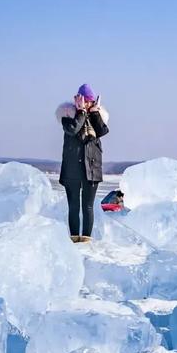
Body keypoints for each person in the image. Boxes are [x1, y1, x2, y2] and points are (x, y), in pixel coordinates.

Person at [57, 83, 109, 243]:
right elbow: (73, 129)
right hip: (72, 169)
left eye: (90, 101)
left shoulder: (96, 116)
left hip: (91, 168)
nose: (87, 103)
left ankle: (86, 240)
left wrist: (93, 113)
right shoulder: (67, 114)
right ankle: (73, 238)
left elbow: (102, 131)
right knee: (73, 206)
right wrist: (80, 112)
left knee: (88, 207)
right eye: (85, 100)